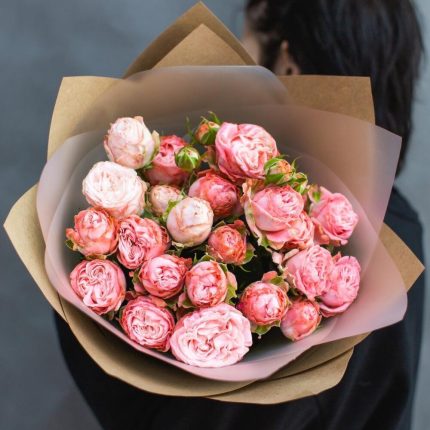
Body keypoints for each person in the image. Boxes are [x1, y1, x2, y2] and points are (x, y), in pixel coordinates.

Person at [54, 1, 425, 428]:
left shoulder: (348, 262)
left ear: (288, 64)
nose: (233, 59)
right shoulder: (401, 227)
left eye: (242, 41)